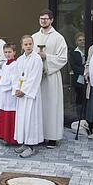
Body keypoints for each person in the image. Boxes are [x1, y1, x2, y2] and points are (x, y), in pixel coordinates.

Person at [32, 10, 68, 148]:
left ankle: (52, 137)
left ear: (51, 20)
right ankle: (39, 134)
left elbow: (63, 58)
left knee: (52, 106)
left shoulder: (58, 38)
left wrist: (47, 57)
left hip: (51, 76)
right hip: (37, 78)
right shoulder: (34, 37)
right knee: (39, 107)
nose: (43, 21)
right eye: (41, 19)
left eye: (46, 19)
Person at [13, 35, 45, 158]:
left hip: (30, 94)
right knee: (22, 119)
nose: (28, 46)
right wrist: (16, 89)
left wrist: (24, 90)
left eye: (30, 44)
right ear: (22, 46)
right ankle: (23, 143)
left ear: (33, 44)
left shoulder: (36, 59)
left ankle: (31, 146)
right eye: (25, 44)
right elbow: (15, 76)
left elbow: (35, 77)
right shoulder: (20, 59)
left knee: (30, 119)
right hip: (21, 94)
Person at [0, 44, 20, 145]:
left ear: (14, 52)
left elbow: (13, 80)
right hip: (3, 94)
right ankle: (2, 136)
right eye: (5, 52)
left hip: (10, 94)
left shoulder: (15, 64)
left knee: (10, 116)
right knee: (3, 114)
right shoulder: (5, 64)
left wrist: (1, 80)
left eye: (10, 52)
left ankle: (10, 138)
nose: (7, 54)